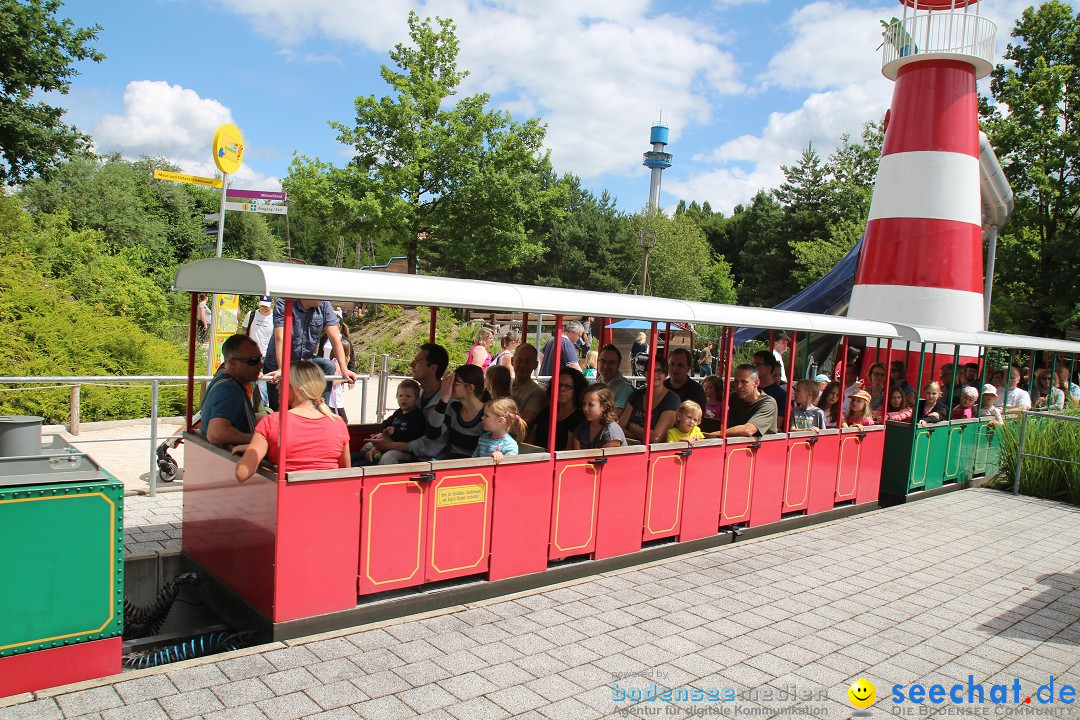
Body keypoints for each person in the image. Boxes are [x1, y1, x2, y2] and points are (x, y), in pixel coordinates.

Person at [233, 361, 350, 482]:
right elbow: (346, 472)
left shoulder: (273, 422)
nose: (277, 387)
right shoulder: (338, 423)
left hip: (287, 497)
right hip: (328, 495)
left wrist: (257, 448)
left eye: (282, 382)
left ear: (297, 388)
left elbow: (242, 473)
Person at [262, 298, 355, 411]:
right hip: (278, 362)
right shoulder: (285, 302)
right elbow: (280, 337)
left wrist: (344, 369)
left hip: (304, 362)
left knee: (328, 366)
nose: (324, 298)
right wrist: (282, 368)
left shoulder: (324, 305)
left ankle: (320, 407)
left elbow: (335, 339)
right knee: (281, 408)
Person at [370, 343, 450, 464]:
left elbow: (432, 444)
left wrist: (391, 445)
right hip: (408, 450)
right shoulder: (418, 394)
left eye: (417, 361)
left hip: (429, 461)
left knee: (388, 458)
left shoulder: (447, 402)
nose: (411, 364)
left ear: (433, 368)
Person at [199, 334, 262, 447]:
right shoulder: (230, 390)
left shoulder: (221, 382)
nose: (260, 366)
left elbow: (239, 416)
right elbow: (216, 433)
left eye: (260, 359)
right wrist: (258, 440)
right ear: (232, 363)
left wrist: (274, 420)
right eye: (253, 361)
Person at [356, 380, 426, 464]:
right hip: (389, 442)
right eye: (400, 396)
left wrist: (395, 433)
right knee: (368, 445)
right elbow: (385, 423)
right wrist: (382, 433)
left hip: (405, 451)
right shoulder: (398, 412)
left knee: (389, 456)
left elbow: (413, 436)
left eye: (408, 396)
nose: (403, 398)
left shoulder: (417, 417)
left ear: (416, 400)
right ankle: (368, 460)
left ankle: (382, 473)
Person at [427, 364, 486, 459]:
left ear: (470, 388)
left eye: (456, 382)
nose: (450, 386)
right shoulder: (453, 409)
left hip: (474, 465)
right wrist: (444, 397)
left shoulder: (487, 414)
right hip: (452, 462)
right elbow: (432, 433)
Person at [620, 356, 680, 443]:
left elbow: (655, 438)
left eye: (659, 370)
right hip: (631, 448)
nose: (654, 373)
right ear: (645, 373)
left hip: (657, 453)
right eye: (650, 369)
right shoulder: (636, 395)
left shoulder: (672, 399)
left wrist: (632, 427)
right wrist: (639, 437)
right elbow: (620, 427)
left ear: (666, 374)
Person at [709, 364, 777, 438]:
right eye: (736, 382)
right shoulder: (734, 398)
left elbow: (748, 430)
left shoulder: (768, 403)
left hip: (760, 447)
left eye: (744, 382)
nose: (739, 386)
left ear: (756, 382)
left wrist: (712, 435)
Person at [531, 366, 587, 451]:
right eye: (559, 385)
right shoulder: (546, 411)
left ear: (577, 390)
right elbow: (530, 441)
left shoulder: (579, 417)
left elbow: (569, 452)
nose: (561, 389)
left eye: (568, 386)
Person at [569, 384, 627, 450]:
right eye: (584, 404)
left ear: (604, 407)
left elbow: (608, 459)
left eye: (590, 405)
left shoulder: (611, 432)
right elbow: (576, 457)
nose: (585, 408)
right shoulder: (581, 428)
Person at [242, 296, 275, 406]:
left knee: (263, 383)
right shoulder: (251, 314)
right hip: (253, 354)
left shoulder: (275, 317)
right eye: (262, 305)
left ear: (272, 303)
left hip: (268, 355)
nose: (264, 308)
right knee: (257, 383)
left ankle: (263, 406)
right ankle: (261, 406)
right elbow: (244, 331)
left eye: (266, 305)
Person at [473, 397, 527, 463]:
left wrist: (500, 457)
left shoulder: (509, 445)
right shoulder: (483, 438)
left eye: (486, 416)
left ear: (500, 421)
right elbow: (473, 460)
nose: (482, 417)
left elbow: (509, 467)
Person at [510, 343, 546, 425]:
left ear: (535, 365)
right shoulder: (504, 385)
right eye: (519, 360)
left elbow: (523, 422)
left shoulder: (538, 393)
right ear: (512, 361)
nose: (522, 365)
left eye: (528, 362)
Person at [752, 351, 787, 427]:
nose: (753, 368)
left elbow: (777, 425)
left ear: (769, 368)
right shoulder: (752, 390)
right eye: (752, 365)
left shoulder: (780, 394)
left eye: (757, 365)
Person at [597, 344, 635, 410]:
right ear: (597, 362)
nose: (606, 366)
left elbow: (615, 417)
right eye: (603, 361)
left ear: (618, 365)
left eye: (611, 363)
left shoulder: (625, 389)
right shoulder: (593, 385)